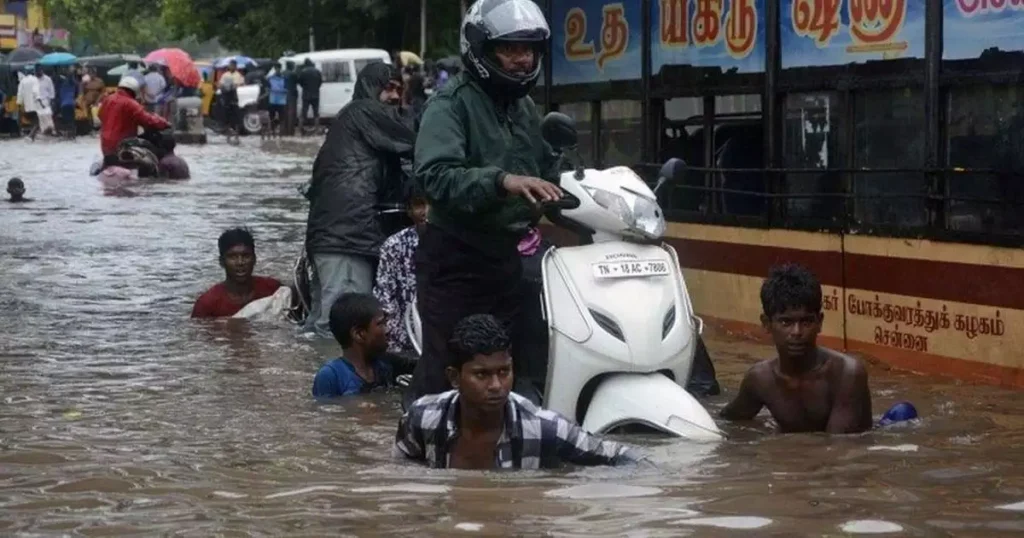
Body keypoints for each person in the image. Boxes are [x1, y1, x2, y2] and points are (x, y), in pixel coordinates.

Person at [408, 0, 563, 403]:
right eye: (509, 49)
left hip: (506, 257)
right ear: (481, 49)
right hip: (455, 258)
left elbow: (546, 165)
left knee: (517, 361)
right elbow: (434, 175)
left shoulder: (523, 107)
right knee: (447, 370)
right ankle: (420, 449)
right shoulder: (450, 104)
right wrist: (501, 181)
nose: (522, 59)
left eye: (528, 49)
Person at [395, 314, 639, 469]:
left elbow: (625, 457)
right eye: (482, 374)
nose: (496, 385)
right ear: (454, 378)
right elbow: (399, 474)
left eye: (504, 372)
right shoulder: (422, 418)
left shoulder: (545, 428)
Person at [302, 62, 415, 338]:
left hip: (338, 237)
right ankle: (340, 381)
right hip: (346, 239)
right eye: (388, 88)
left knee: (323, 326)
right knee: (346, 330)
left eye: (399, 90)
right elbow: (416, 142)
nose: (395, 96)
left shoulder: (352, 121)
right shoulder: (362, 112)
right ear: (369, 88)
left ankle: (312, 376)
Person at [720, 264, 873, 434]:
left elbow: (838, 450)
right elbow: (728, 423)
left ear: (820, 322)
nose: (797, 332)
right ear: (766, 324)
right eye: (786, 322)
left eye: (806, 322)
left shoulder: (846, 373)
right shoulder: (761, 379)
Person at [374, 185, 429, 355]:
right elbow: (385, 299)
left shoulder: (459, 245)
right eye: (419, 205)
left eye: (433, 205)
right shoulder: (394, 246)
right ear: (409, 210)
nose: (426, 212)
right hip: (405, 343)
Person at [311, 293, 394, 398]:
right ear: (359, 334)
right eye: (380, 324)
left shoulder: (383, 367)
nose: (388, 330)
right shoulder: (331, 376)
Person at [191, 228, 283, 318]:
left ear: (254, 259)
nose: (240, 262)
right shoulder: (207, 304)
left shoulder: (273, 290)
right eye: (232, 257)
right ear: (222, 262)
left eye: (246, 256)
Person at [97, 78, 171, 169]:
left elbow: (100, 115)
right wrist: (164, 123)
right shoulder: (131, 103)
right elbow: (147, 120)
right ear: (134, 90)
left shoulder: (108, 99)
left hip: (105, 145)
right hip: (123, 144)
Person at [15, 65, 41, 140]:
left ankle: (32, 137)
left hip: (27, 107)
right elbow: (36, 91)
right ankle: (30, 136)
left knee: (33, 122)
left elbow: (19, 94)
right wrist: (40, 100)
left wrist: (19, 104)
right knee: (38, 123)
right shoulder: (35, 80)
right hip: (35, 106)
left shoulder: (22, 81)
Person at [297, 58, 322, 132]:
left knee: (303, 113)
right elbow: (320, 82)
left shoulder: (303, 72)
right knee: (316, 113)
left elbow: (300, 82)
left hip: (306, 95)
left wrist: (305, 87)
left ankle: (300, 129)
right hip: (316, 95)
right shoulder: (317, 71)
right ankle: (317, 129)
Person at [57, 66, 79, 139]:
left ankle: (68, 135)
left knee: (66, 121)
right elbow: (76, 94)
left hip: (64, 105)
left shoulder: (62, 85)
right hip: (71, 103)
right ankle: (72, 135)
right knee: (71, 120)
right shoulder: (74, 84)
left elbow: (59, 95)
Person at [266, 67, 287, 133]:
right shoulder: (271, 79)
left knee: (280, 118)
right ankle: (274, 130)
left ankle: (279, 131)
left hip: (279, 101)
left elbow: (287, 90)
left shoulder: (283, 79)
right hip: (276, 101)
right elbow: (267, 89)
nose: (277, 71)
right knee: (274, 117)